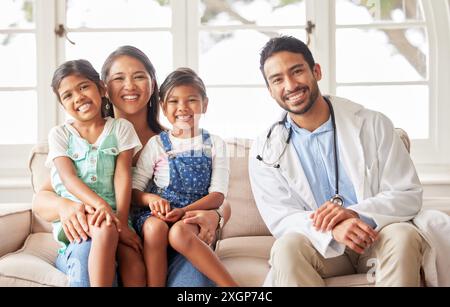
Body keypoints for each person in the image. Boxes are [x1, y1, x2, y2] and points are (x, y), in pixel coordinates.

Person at [33, 46, 230, 287]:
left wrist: (215, 216)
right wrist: (64, 206)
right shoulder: (82, 141)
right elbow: (43, 197)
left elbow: (220, 196)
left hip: (168, 244)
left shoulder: (177, 142)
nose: (129, 85)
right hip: (98, 239)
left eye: (138, 76)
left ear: (153, 83)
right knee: (87, 259)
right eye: (118, 78)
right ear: (104, 86)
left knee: (193, 282)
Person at [248, 35, 427, 286]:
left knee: (403, 235)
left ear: (316, 71)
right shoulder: (264, 150)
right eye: (277, 80)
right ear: (270, 90)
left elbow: (408, 194)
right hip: (323, 248)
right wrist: (332, 229)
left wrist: (354, 214)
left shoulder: (374, 124)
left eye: (297, 71)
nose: (290, 85)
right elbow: (281, 219)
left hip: (375, 235)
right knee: (287, 247)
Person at [131, 67, 238, 287]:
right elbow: (134, 191)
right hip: (160, 215)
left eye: (191, 100)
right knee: (155, 228)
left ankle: (233, 289)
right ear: (162, 106)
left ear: (204, 104)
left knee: (179, 233)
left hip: (194, 215)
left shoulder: (214, 143)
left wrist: (185, 211)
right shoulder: (157, 144)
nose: (182, 108)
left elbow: (218, 196)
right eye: (173, 101)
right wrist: (151, 200)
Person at [47, 59, 142, 286]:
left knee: (134, 263)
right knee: (105, 228)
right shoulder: (60, 134)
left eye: (83, 87)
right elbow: (68, 178)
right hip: (80, 214)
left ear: (101, 88)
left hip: (116, 214)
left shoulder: (121, 128)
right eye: (67, 95)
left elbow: (123, 176)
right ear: (62, 105)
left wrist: (120, 219)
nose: (78, 97)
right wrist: (101, 207)